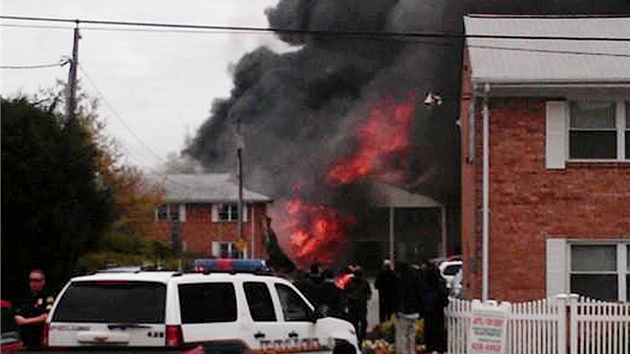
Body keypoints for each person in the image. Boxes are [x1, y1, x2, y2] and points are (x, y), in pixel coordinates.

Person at [14, 269, 55, 349]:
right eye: (31, 280)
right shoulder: (25, 297)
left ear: (43, 282)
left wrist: (25, 321)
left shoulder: (48, 297)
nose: (33, 283)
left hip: (39, 339)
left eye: (37, 280)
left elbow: (46, 317)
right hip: (24, 339)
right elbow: (17, 315)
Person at [421, 262, 450, 354]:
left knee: (429, 334)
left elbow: (422, 296)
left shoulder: (426, 284)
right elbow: (445, 299)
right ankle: (439, 348)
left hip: (429, 312)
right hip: (438, 312)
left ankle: (431, 348)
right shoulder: (440, 284)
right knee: (439, 333)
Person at [343, 265, 371, 347]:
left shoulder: (363, 282)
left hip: (359, 305)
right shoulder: (351, 282)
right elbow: (345, 292)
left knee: (361, 322)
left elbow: (368, 293)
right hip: (355, 305)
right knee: (355, 322)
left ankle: (361, 337)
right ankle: (357, 337)